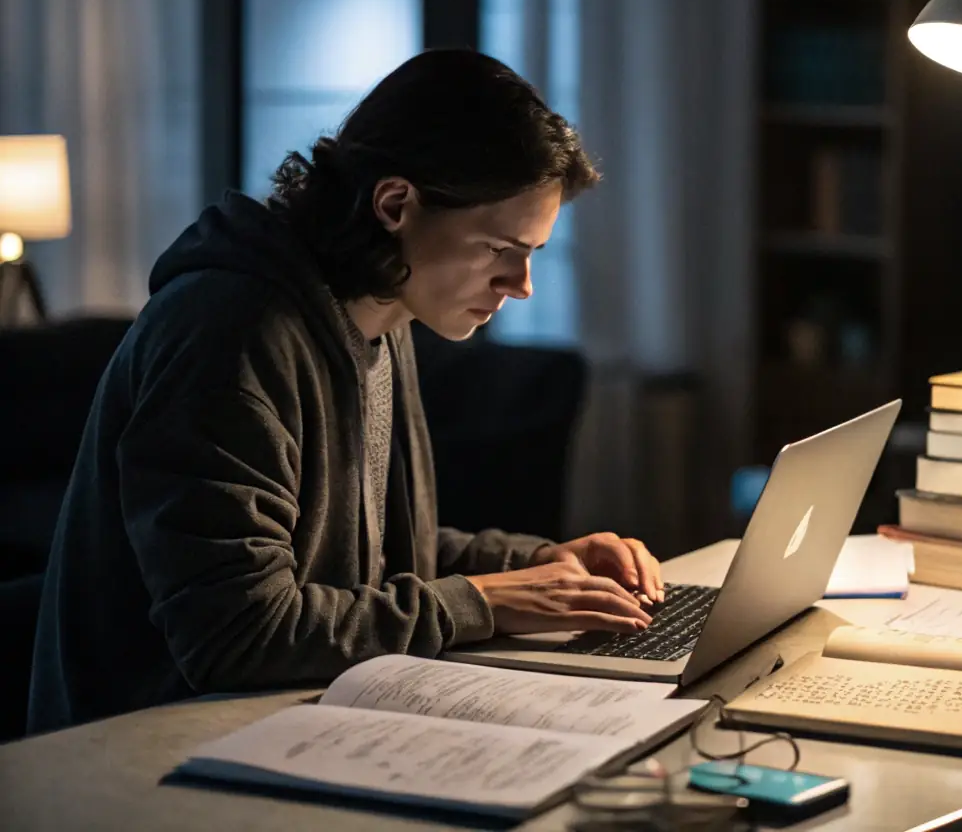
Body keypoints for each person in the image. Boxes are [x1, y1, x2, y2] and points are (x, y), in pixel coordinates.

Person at [29, 49, 664, 734]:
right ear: (395, 204)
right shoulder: (229, 334)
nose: (520, 284)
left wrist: (537, 564)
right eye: (496, 248)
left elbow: (361, 555)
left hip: (288, 720)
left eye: (531, 253)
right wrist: (483, 599)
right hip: (148, 748)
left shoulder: (375, 314)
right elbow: (238, 633)